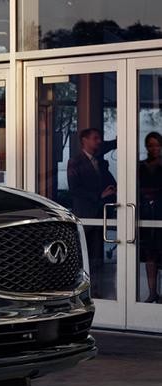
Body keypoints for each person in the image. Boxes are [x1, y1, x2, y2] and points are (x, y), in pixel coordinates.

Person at [67, 128, 117, 298]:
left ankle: (96, 291)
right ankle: (81, 292)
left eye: (99, 138)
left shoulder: (100, 162)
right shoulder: (75, 162)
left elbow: (108, 180)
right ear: (84, 140)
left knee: (97, 256)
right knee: (83, 256)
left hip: (99, 216)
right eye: (95, 138)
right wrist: (99, 195)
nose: (99, 141)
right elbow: (74, 189)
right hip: (85, 216)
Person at [139, 131, 162, 302]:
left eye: (157, 144)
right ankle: (152, 292)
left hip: (161, 211)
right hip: (146, 211)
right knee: (150, 254)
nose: (154, 148)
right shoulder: (140, 165)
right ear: (146, 147)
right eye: (151, 145)